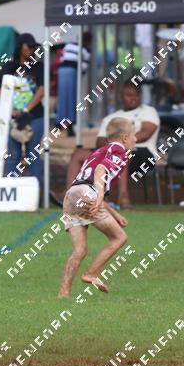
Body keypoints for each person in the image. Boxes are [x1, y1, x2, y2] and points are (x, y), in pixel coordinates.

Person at [58, 118, 135, 298]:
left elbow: (88, 183)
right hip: (88, 194)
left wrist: (114, 214)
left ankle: (63, 293)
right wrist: (99, 195)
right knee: (119, 238)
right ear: (124, 137)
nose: (136, 139)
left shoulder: (98, 151)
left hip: (71, 195)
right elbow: (101, 170)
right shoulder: (120, 151)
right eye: (134, 135)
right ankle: (91, 273)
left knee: (80, 250)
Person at [63, 82, 159, 208]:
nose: (133, 98)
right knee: (79, 154)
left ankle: (123, 197)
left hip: (142, 152)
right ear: (121, 96)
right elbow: (100, 141)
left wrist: (120, 144)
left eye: (136, 95)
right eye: (129, 95)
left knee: (122, 152)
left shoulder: (148, 111)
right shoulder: (111, 117)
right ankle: (70, 196)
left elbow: (146, 133)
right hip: (110, 152)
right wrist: (116, 146)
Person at [0, 33, 45, 185]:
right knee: (13, 156)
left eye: (34, 47)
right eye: (29, 46)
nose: (31, 49)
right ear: (20, 47)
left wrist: (26, 109)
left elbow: (42, 90)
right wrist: (10, 109)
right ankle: (11, 189)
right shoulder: (8, 67)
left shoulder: (38, 67)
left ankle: (37, 192)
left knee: (33, 156)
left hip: (34, 117)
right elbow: (0, 90)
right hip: (12, 118)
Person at [56, 33, 91, 135]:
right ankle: (70, 126)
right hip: (72, 71)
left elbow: (62, 58)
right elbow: (84, 67)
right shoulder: (86, 50)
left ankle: (59, 122)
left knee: (62, 97)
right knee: (72, 99)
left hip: (62, 71)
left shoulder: (69, 45)